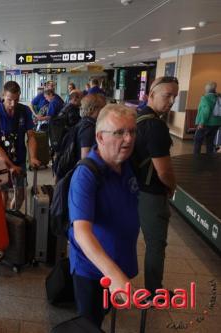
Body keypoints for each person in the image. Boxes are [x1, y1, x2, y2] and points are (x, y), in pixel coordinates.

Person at [68, 104, 140, 328]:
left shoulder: (125, 164)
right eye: (119, 133)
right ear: (99, 137)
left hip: (118, 260)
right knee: (90, 322)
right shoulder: (86, 174)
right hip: (91, 269)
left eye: (132, 131)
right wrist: (114, 276)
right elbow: (82, 232)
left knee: (103, 313)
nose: (128, 139)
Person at [134, 76, 178, 297]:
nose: (170, 101)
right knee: (155, 243)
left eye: (174, 97)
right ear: (151, 94)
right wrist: (172, 186)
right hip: (151, 192)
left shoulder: (137, 117)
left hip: (133, 188)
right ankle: (154, 292)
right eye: (167, 95)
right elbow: (164, 171)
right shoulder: (156, 127)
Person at [0, 81, 41, 208]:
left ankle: (13, 217)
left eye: (16, 100)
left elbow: (31, 136)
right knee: (3, 196)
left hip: (19, 159)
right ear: (3, 95)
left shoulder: (24, 110)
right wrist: (10, 166)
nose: (13, 104)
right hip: (0, 162)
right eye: (9, 100)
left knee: (20, 195)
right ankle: (4, 223)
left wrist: (32, 157)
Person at [194, 81, 221, 155]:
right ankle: (209, 159)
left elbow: (206, 111)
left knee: (198, 140)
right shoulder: (218, 97)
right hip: (216, 123)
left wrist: (202, 122)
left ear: (207, 89)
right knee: (210, 142)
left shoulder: (205, 98)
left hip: (206, 123)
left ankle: (196, 158)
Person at [78, 94, 107, 159]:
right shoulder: (88, 128)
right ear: (93, 109)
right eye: (103, 107)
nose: (105, 110)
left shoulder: (83, 121)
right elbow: (85, 158)